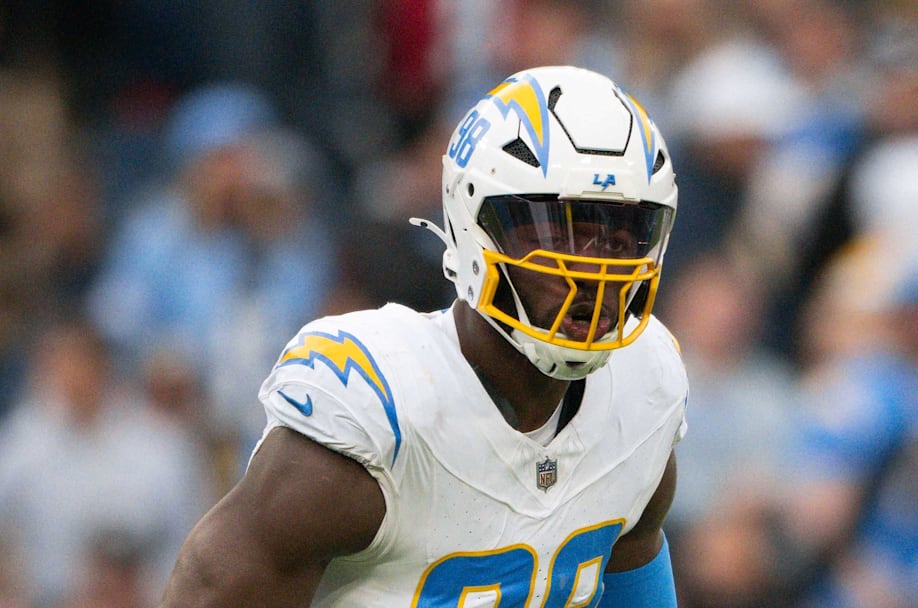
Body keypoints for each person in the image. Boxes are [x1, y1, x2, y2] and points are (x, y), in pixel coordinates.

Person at [160, 65, 687, 607]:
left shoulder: (641, 393)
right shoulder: (381, 416)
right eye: (560, 232)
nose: (593, 271)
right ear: (475, 224)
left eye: (620, 239)